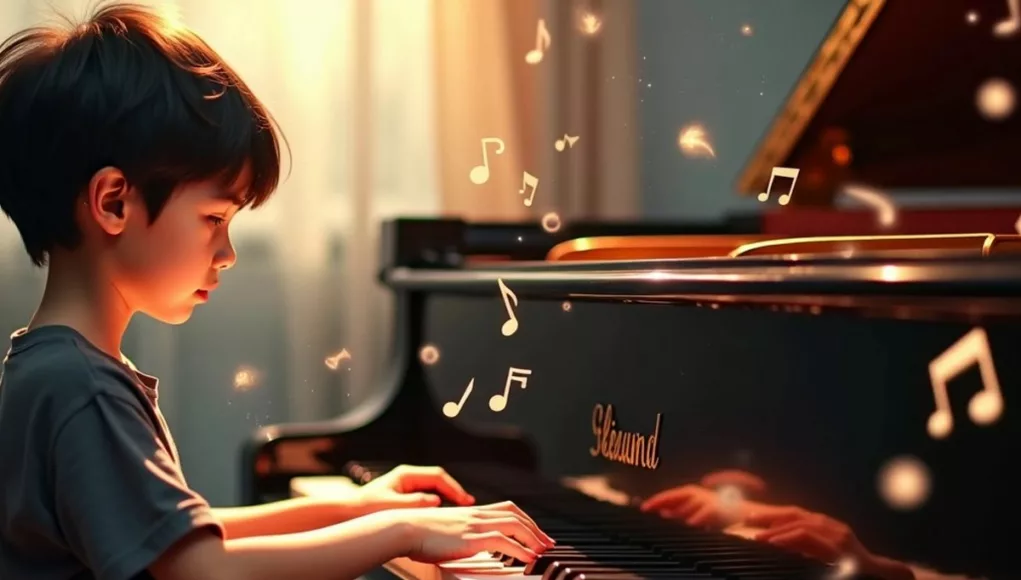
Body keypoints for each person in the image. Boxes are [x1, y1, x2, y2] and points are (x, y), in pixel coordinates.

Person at [0, 3, 552, 579]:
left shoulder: (59, 369)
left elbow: (176, 535)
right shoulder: (83, 389)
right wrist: (401, 532)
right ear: (114, 202)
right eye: (215, 218)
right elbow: (200, 568)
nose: (228, 253)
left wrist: (355, 508)